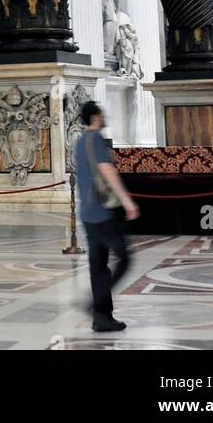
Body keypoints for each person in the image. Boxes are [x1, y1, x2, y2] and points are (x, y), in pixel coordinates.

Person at [74, 101, 139, 333]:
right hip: (103, 211)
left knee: (98, 266)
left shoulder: (79, 142)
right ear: (96, 116)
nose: (105, 117)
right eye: (103, 114)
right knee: (125, 258)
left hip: (87, 213)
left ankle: (102, 318)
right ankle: (95, 304)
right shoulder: (96, 140)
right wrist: (127, 201)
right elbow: (108, 171)